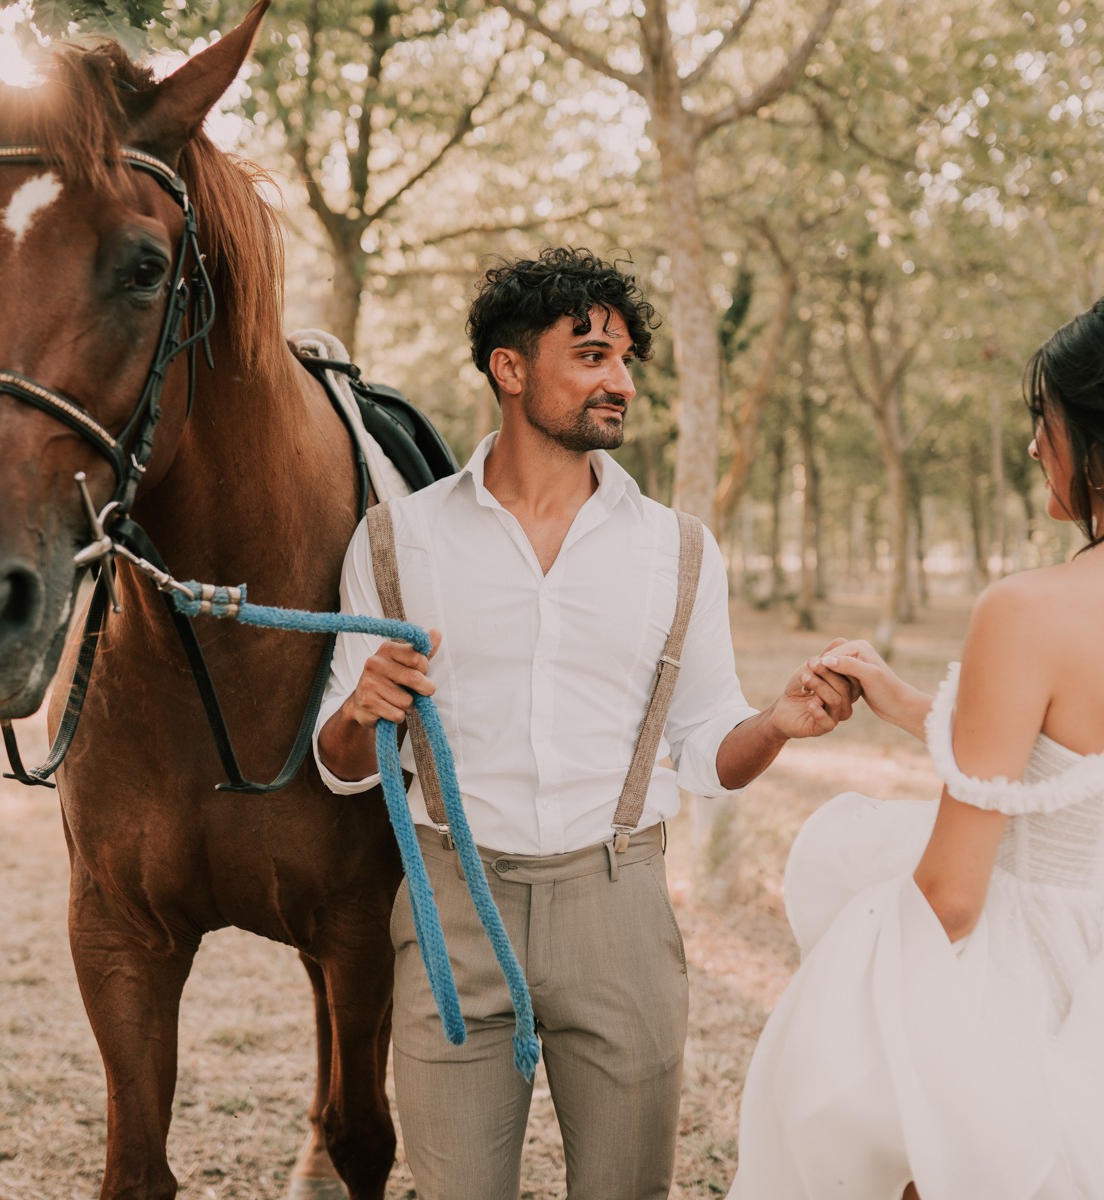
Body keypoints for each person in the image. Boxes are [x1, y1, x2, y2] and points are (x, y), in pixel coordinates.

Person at [729, 289, 1104, 1200]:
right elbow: (1097, 772)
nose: (1034, 445)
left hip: (1036, 984)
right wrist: (913, 705)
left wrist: (848, 989)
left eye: (1045, 420)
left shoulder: (1031, 609)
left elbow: (952, 898)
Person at [313, 247, 856, 1200]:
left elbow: (708, 751)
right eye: (593, 355)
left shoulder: (676, 551)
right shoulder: (399, 539)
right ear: (509, 369)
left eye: (626, 360)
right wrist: (361, 709)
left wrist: (774, 723)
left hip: (619, 912)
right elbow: (342, 765)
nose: (622, 382)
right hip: (450, 915)